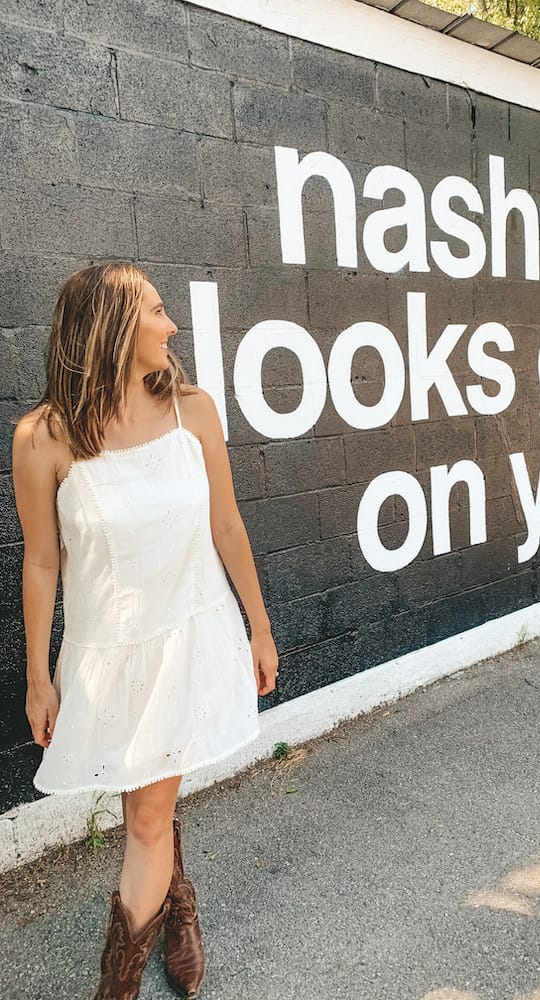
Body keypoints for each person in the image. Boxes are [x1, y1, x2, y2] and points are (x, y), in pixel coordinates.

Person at [12, 262, 279, 1000]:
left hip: (190, 636)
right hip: (108, 655)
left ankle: (117, 984)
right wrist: (39, 674)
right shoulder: (42, 439)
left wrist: (260, 627)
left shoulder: (193, 412)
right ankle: (178, 901)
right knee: (145, 808)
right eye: (156, 312)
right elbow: (40, 564)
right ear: (113, 329)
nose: (169, 325)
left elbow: (227, 524)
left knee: (147, 816)